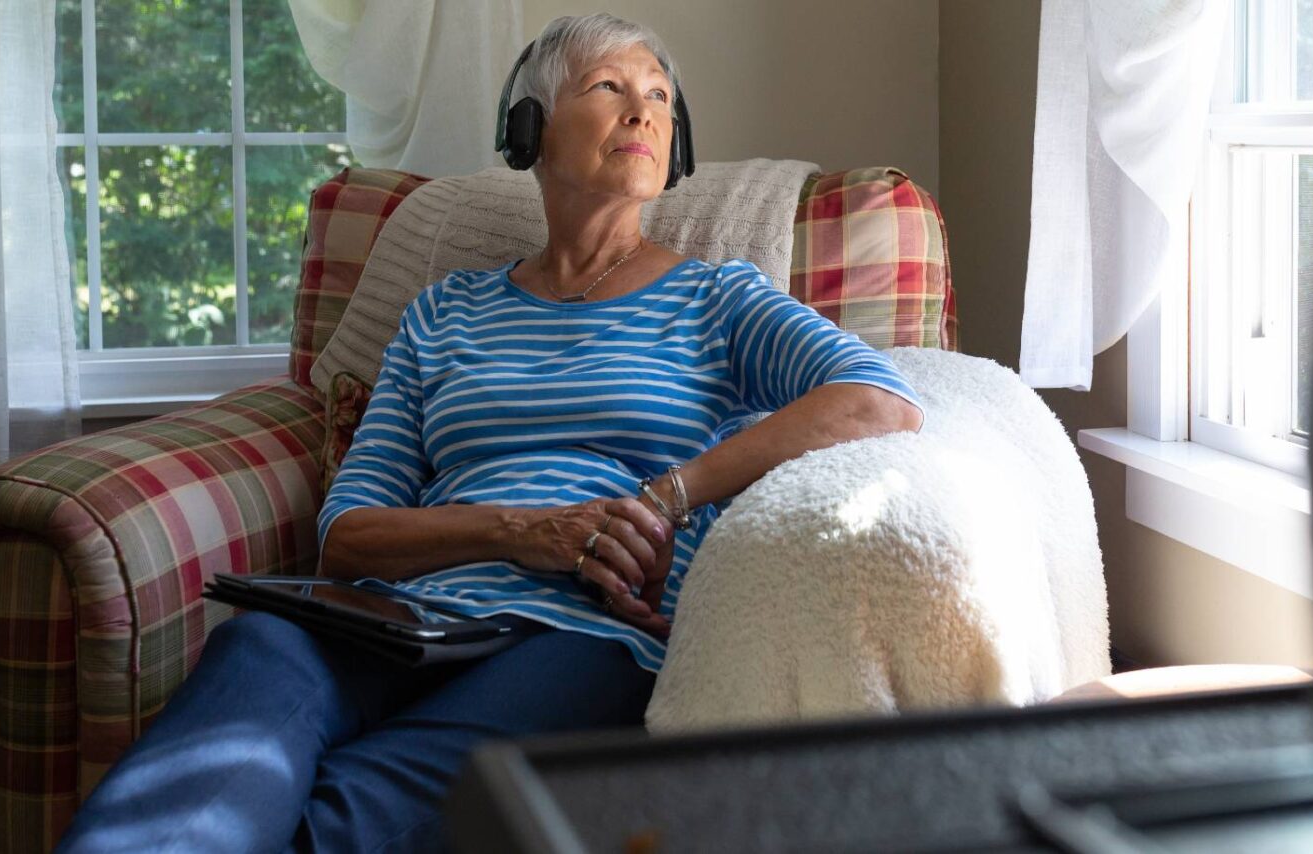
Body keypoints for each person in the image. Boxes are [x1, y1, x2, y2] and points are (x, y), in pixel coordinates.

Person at [55, 13, 923, 853]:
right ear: (531, 128)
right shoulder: (443, 314)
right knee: (251, 665)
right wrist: (524, 532)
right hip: (390, 617)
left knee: (345, 815)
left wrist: (666, 495)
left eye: (661, 97)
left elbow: (879, 400)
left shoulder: (717, 300)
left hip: (581, 637)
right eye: (610, 86)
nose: (645, 112)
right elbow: (347, 537)